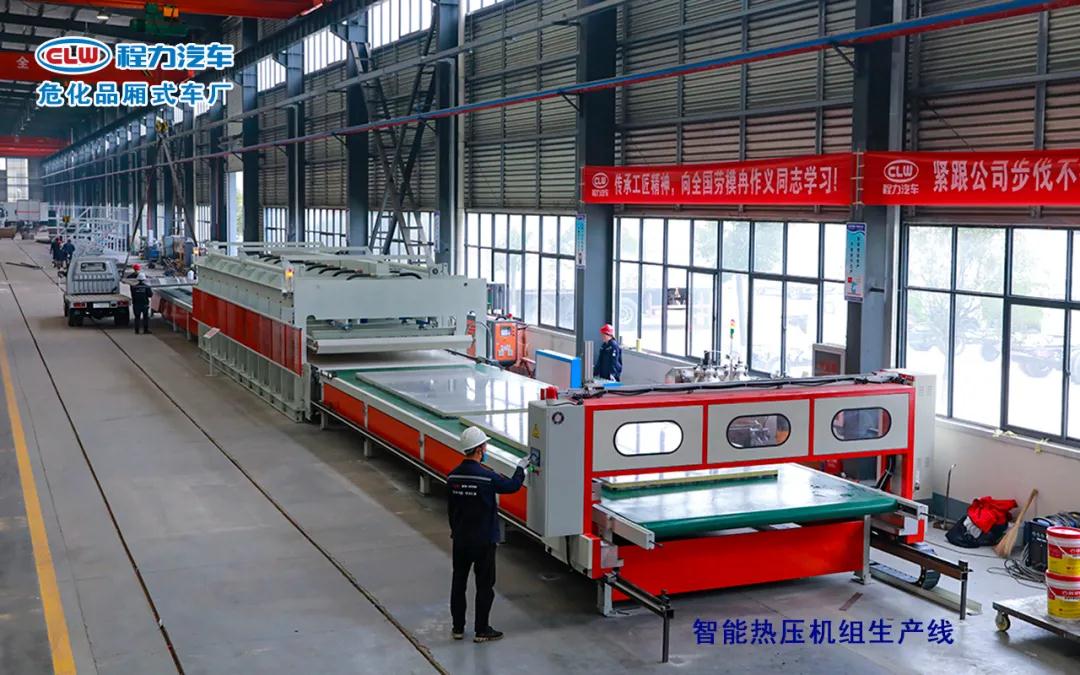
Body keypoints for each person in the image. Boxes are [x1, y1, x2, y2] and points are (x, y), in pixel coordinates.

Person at [447, 427, 529, 643]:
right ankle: (482, 629)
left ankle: (457, 628)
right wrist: (521, 468)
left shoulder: (452, 476)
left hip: (461, 540)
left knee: (458, 582)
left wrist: (456, 531)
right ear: (479, 450)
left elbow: (451, 511)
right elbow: (512, 486)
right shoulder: (486, 477)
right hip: (483, 541)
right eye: (485, 446)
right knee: (484, 585)